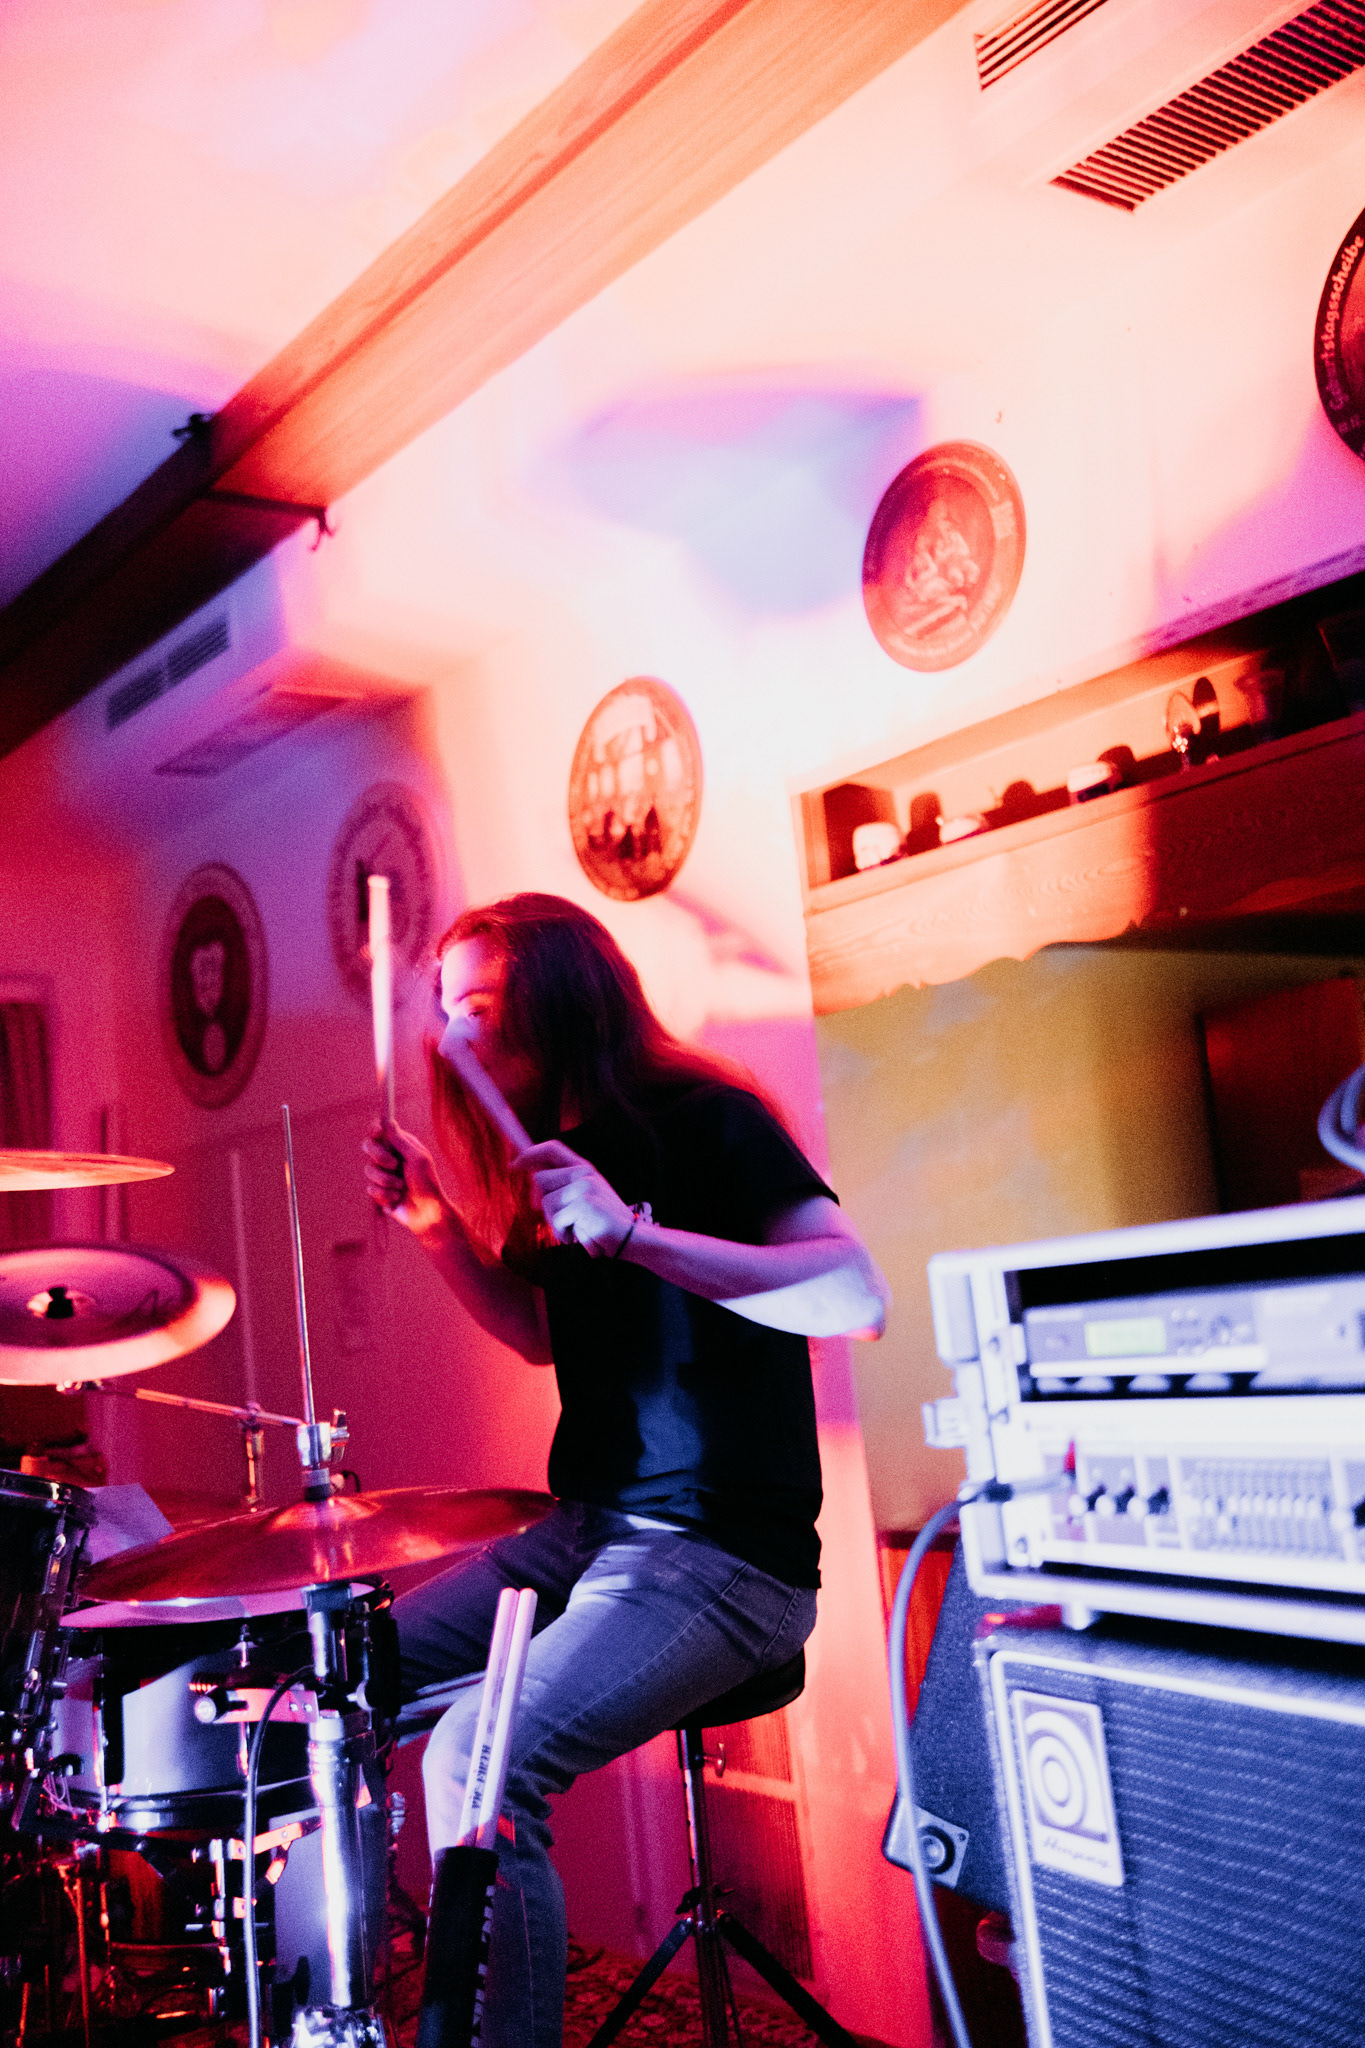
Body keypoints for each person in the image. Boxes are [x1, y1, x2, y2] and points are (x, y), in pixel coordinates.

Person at [362, 892, 889, 2048]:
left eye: (480, 1006)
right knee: (346, 1675)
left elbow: (856, 1292)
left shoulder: (705, 1118)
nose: (455, 1035)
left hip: (724, 1556)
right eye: (448, 1011)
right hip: (587, 1530)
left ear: (562, 993)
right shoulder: (552, 1156)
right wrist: (436, 1222)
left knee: (479, 1757)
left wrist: (638, 1232)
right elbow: (542, 1332)